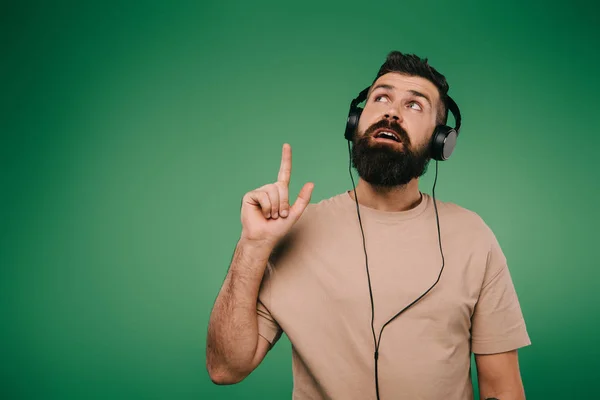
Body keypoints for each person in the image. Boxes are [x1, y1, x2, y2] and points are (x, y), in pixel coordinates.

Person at [206, 51, 531, 400]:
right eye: (381, 98)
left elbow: (501, 387)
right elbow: (225, 368)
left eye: (415, 105)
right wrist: (252, 245)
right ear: (355, 121)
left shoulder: (473, 237)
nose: (392, 111)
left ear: (441, 141)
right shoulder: (295, 231)